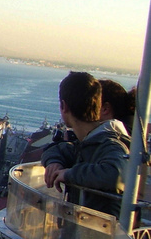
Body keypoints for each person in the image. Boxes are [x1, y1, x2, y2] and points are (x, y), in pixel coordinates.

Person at [43, 72, 132, 215]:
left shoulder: (110, 143)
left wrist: (69, 175)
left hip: (104, 233)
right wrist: (54, 162)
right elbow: (56, 149)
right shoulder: (88, 142)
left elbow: (116, 175)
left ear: (64, 106)